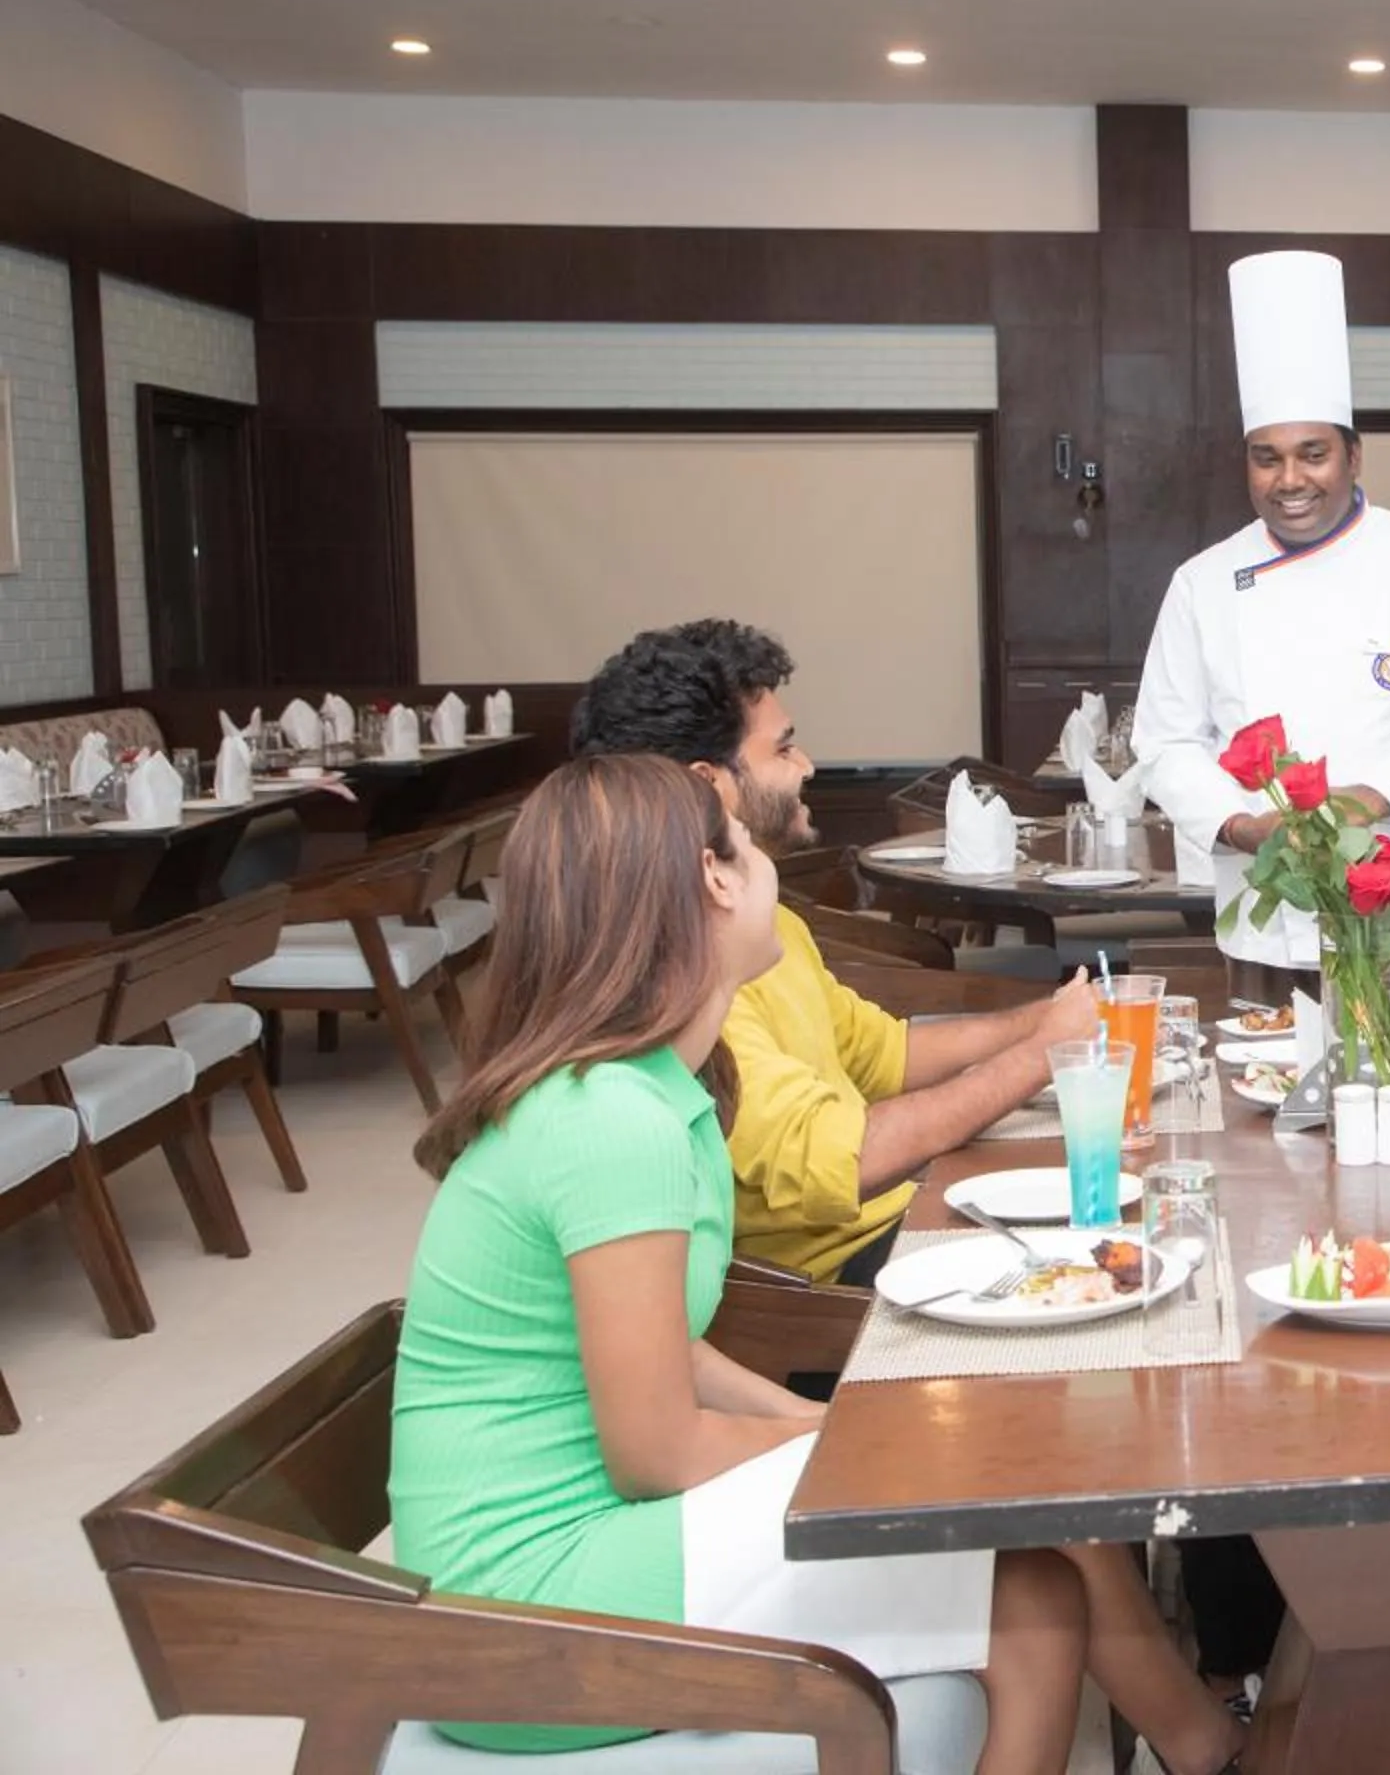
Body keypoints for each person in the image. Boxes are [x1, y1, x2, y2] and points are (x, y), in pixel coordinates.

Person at [391, 756, 1246, 1775]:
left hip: (576, 1547)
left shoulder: (649, 1088)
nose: (767, 869)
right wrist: (867, 1452)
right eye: (744, 848)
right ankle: (1213, 1746)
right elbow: (654, 1450)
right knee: (1024, 1579)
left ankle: (1208, 1746)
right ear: (711, 883)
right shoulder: (614, 1122)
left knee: (1020, 1508)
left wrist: (834, 1425)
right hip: (526, 1608)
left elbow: (675, 1352)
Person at [571, 620, 1098, 1289]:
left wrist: (1047, 1020)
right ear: (710, 787)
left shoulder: (763, 925)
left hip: (897, 1215)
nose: (807, 766)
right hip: (830, 1290)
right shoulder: (680, 965)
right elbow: (836, 1160)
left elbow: (883, 1055)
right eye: (783, 749)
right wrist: (1041, 1055)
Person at [1136, 249, 1390, 972]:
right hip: (1267, 922)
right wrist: (1240, 823)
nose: (1290, 479)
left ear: (1354, 456)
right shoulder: (1203, 581)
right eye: (1267, 456)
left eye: (1312, 453)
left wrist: (1373, 799)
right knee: (1261, 1082)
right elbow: (1165, 741)